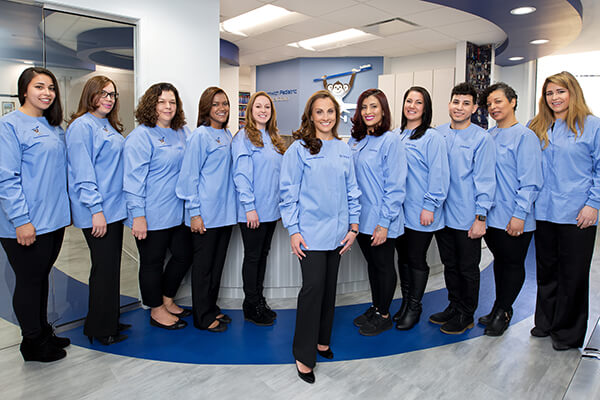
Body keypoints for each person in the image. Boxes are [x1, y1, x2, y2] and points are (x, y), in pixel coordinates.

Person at [280, 90, 360, 384]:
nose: (326, 117)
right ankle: (303, 353)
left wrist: (353, 227)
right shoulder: (298, 150)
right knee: (312, 290)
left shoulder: (344, 148)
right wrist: (294, 230)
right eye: (320, 112)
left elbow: (352, 190)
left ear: (337, 116)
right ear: (310, 116)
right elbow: (287, 195)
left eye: (330, 111)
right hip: (311, 233)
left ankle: (321, 341)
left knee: (328, 289)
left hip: (339, 233)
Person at [0, 67, 71, 362]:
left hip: (53, 220)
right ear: (24, 91)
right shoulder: (10, 125)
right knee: (29, 282)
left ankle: (42, 333)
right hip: (27, 223)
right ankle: (31, 342)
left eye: (51, 87)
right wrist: (21, 221)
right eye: (39, 86)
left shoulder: (54, 126)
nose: (47, 93)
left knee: (41, 279)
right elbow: (6, 178)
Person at [529, 71, 600, 351]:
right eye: (549, 93)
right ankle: (545, 322)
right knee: (546, 271)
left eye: (560, 92)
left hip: (577, 213)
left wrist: (594, 204)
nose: (555, 98)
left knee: (573, 273)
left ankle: (568, 332)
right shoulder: (537, 126)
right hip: (545, 212)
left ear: (573, 93)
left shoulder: (591, 126)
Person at [66, 75, 131, 345]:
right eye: (103, 93)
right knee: (103, 269)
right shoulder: (81, 127)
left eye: (112, 95)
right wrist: (96, 210)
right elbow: (84, 172)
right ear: (90, 95)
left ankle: (108, 319)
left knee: (110, 268)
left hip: (113, 210)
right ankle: (100, 329)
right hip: (98, 212)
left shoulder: (107, 125)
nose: (108, 99)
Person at [429, 82, 496, 334]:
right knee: (450, 264)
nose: (459, 107)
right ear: (449, 104)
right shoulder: (438, 133)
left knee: (468, 267)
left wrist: (481, 216)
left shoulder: (481, 139)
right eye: (456, 102)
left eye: (466, 103)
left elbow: (486, 181)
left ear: (474, 108)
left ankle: (466, 313)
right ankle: (453, 305)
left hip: (467, 216)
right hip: (442, 216)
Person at [123, 83, 191, 331]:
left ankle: (167, 299)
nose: (168, 106)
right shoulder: (140, 136)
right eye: (162, 101)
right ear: (151, 104)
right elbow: (132, 181)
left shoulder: (182, 132)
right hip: (151, 214)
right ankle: (156, 309)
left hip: (178, 212)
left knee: (183, 256)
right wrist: (137, 216)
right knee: (152, 262)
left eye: (172, 102)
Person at [478, 83, 542, 337]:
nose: (493, 107)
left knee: (513, 264)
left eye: (498, 102)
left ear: (512, 101)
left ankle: (504, 311)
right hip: (492, 218)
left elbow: (531, 181)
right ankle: (497, 307)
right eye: (490, 104)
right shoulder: (489, 137)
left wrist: (519, 215)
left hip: (515, 217)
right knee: (500, 263)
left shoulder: (525, 137)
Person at [176, 86, 237, 333]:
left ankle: (211, 307)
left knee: (217, 266)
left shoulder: (227, 134)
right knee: (203, 269)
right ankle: (202, 316)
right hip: (205, 214)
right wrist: (194, 213)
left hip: (225, 213)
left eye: (225, 103)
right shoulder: (200, 136)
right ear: (206, 109)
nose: (221, 108)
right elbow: (188, 177)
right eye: (215, 104)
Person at [348, 88, 406, 336]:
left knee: (383, 266)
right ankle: (376, 306)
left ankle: (384, 315)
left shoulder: (390, 140)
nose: (368, 112)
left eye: (373, 106)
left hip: (383, 218)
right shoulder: (356, 140)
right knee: (372, 266)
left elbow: (395, 186)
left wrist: (383, 223)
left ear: (383, 110)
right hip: (362, 218)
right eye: (364, 107)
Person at [394, 86, 449, 330]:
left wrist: (430, 206)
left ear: (425, 108)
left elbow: (438, 175)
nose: (412, 106)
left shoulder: (432, 137)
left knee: (416, 259)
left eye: (418, 102)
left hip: (420, 211)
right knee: (403, 258)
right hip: (399, 212)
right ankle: (405, 303)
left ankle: (415, 306)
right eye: (409, 101)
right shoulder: (396, 135)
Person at [231, 91, 285, 326]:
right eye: (258, 107)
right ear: (250, 110)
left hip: (271, 210)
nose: (263, 111)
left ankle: (259, 300)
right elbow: (241, 175)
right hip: (252, 212)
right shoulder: (243, 138)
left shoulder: (273, 138)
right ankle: (250, 304)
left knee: (263, 256)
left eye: (267, 107)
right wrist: (249, 207)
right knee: (253, 258)